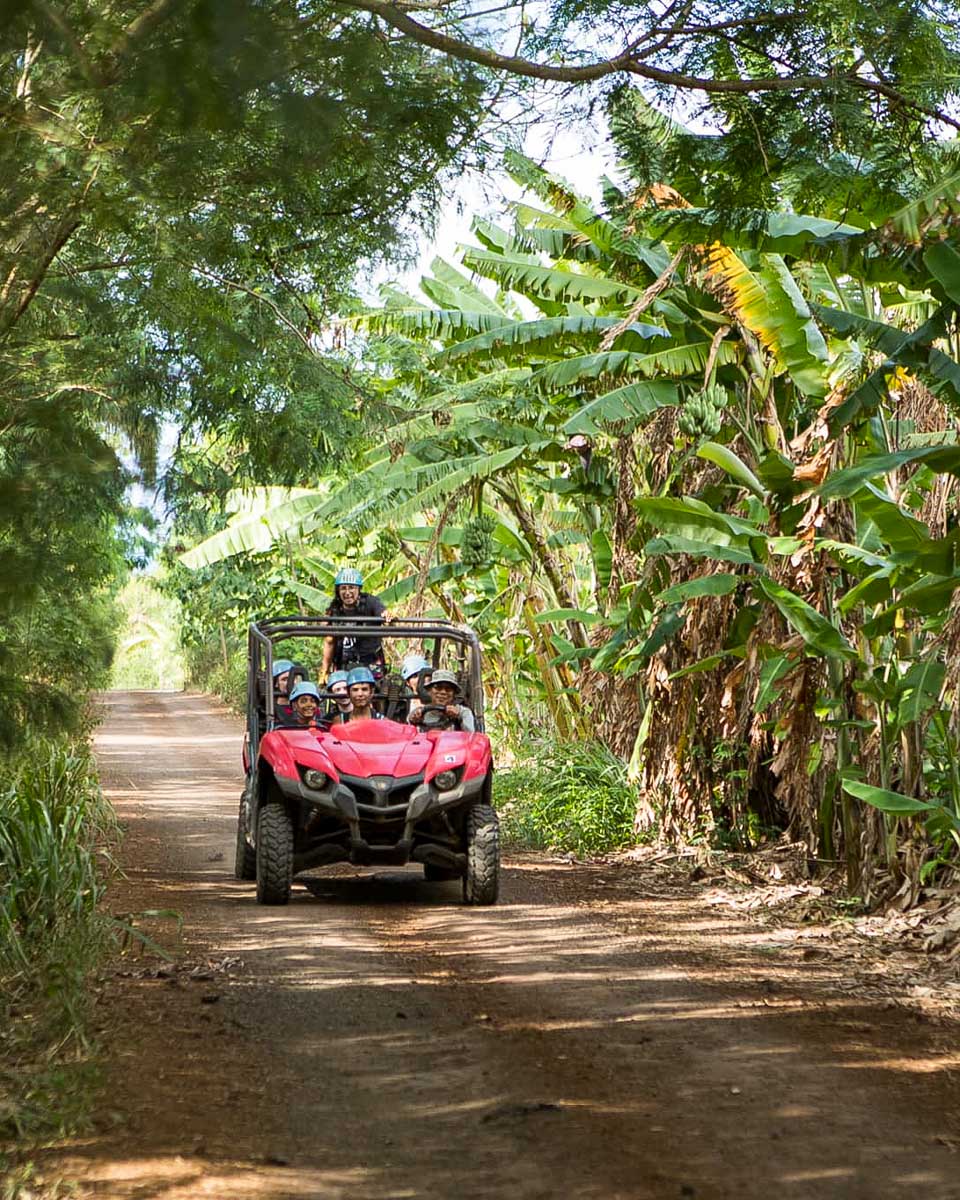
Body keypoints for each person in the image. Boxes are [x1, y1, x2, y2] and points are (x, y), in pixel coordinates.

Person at [321, 567, 388, 677]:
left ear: (358, 589)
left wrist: (387, 617)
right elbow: (329, 641)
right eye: (343, 588)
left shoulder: (370, 602)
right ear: (338, 591)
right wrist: (325, 670)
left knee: (376, 688)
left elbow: (384, 615)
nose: (347, 593)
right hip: (344, 663)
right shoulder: (334, 609)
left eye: (351, 588)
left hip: (371, 662)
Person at [409, 669, 475, 732]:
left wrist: (458, 718)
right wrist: (414, 721)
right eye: (438, 688)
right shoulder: (420, 713)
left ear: (454, 693)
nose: (443, 692)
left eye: (448, 689)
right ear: (429, 691)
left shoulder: (464, 713)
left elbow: (471, 737)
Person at [400, 653, 432, 722]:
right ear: (408, 682)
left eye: (423, 675)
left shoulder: (441, 698)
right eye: (415, 676)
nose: (420, 679)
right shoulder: (404, 705)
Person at [272, 658, 295, 722]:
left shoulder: (307, 707)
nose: (291, 682)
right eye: (285, 679)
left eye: (293, 678)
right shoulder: (270, 710)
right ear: (276, 683)